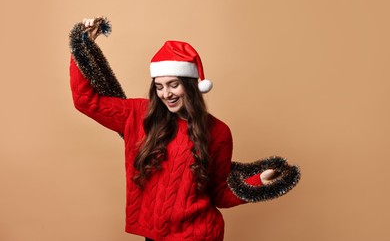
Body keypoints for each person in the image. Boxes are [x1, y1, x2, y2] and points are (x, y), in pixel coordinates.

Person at [69, 17, 299, 241]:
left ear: (190, 85)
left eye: (173, 85)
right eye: (159, 86)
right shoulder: (138, 114)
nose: (166, 94)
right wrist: (81, 47)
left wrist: (260, 181)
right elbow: (86, 101)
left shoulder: (218, 132)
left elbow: (219, 193)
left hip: (199, 235)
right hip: (154, 236)